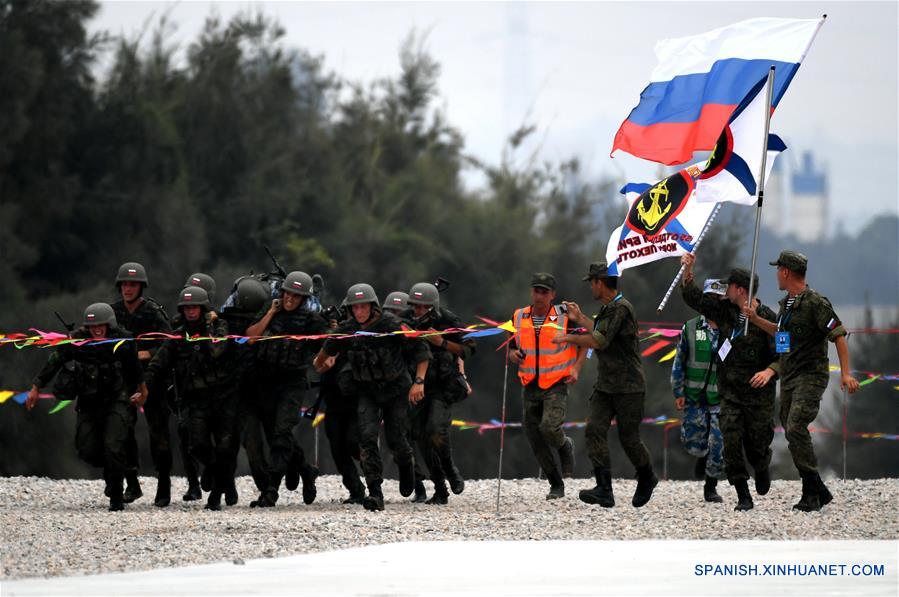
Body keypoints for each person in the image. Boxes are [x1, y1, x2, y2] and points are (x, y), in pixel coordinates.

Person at [743, 250, 859, 511]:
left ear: (785, 272)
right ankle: (817, 489)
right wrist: (756, 319)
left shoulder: (815, 303)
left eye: (778, 270)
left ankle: (811, 489)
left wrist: (846, 373)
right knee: (789, 426)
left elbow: (839, 335)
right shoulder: (786, 305)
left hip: (811, 376)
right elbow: (780, 331)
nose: (776, 275)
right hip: (790, 376)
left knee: (795, 426)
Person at [313, 283, 430, 512]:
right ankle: (375, 493)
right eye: (354, 308)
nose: (359, 312)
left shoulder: (392, 324)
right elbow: (326, 350)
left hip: (396, 390)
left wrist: (419, 381)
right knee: (366, 438)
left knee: (396, 440)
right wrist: (320, 362)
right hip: (367, 392)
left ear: (373, 306)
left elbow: (421, 350)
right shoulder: (347, 329)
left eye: (363, 307)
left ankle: (407, 465)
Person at [680, 254, 779, 511]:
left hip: (759, 398)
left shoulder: (768, 317)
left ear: (740, 290)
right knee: (731, 443)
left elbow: (785, 352)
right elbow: (693, 297)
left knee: (756, 446)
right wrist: (688, 269)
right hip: (730, 395)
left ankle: (762, 463)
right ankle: (742, 494)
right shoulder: (724, 312)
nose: (726, 291)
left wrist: (770, 371)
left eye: (730, 287)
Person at [27, 303, 147, 511]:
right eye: (93, 326)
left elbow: (134, 367)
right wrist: (36, 386)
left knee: (114, 445)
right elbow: (55, 360)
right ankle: (111, 472)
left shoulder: (123, 340)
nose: (97, 330)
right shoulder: (76, 341)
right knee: (87, 449)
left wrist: (143, 390)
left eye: (101, 325)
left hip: (117, 400)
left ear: (109, 325)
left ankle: (116, 496)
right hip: (89, 402)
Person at [556, 263, 656, 508]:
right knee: (593, 430)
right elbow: (601, 331)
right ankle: (604, 488)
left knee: (629, 438)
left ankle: (646, 476)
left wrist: (567, 337)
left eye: (592, 282)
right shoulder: (608, 309)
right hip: (606, 385)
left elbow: (599, 341)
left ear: (600, 283)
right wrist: (579, 318)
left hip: (628, 386)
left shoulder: (621, 308)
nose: (591, 286)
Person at [145, 286, 237, 511]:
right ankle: (216, 472)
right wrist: (144, 386)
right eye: (187, 308)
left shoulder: (219, 326)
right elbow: (158, 363)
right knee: (196, 445)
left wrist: (207, 325)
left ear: (204, 308)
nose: (191, 312)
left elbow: (217, 350)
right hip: (195, 400)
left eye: (195, 307)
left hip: (222, 397)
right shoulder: (178, 334)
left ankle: (216, 495)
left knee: (225, 446)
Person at [245, 271, 327, 508]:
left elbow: (330, 341)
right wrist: (271, 312)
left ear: (303, 298)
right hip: (266, 382)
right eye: (288, 293)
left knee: (282, 433)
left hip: (292, 383)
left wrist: (324, 359)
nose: (290, 298)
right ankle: (305, 470)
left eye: (296, 295)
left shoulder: (311, 320)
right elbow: (251, 337)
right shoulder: (269, 311)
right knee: (277, 437)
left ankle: (270, 490)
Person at [508, 273, 585, 500]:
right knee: (534, 437)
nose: (539, 295)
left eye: (544, 292)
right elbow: (511, 347)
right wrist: (514, 355)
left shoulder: (565, 315)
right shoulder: (518, 316)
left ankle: (564, 445)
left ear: (552, 295)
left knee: (549, 428)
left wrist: (577, 368)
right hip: (529, 383)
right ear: (531, 292)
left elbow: (587, 341)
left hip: (556, 383)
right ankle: (555, 483)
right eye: (536, 290)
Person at [404, 282, 476, 505]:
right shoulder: (405, 320)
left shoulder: (448, 320)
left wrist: (442, 342)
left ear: (432, 306)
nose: (418, 311)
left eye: (423, 307)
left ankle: (450, 470)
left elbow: (469, 348)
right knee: (420, 436)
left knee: (436, 429)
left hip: (443, 386)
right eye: (415, 306)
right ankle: (439, 488)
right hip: (418, 386)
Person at [110, 262, 173, 507]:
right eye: (125, 284)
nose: (128, 288)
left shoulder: (153, 313)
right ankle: (132, 482)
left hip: (152, 379)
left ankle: (164, 484)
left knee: (159, 434)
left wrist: (146, 354)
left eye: (133, 284)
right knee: (123, 431)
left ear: (141, 287)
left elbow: (170, 343)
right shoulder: (112, 313)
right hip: (123, 380)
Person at [671, 279, 726, 503]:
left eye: (717, 299)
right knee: (693, 443)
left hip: (720, 397)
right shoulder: (691, 327)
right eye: (709, 298)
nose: (713, 303)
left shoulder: (730, 328)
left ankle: (711, 485)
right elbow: (679, 360)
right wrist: (678, 391)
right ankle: (701, 457)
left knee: (718, 442)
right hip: (694, 397)